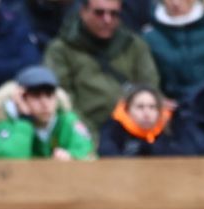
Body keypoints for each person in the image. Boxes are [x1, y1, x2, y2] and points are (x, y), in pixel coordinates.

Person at [44, 0, 159, 132]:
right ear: (83, 12)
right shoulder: (61, 50)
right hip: (86, 127)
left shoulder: (134, 45)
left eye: (114, 13)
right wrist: (88, 133)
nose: (107, 19)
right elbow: (62, 99)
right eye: (99, 13)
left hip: (133, 128)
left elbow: (150, 88)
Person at [141, 0, 204, 105]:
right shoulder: (149, 37)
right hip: (170, 107)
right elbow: (147, 79)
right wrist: (159, 99)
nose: (176, 2)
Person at [0, 64, 95, 158]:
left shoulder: (67, 120)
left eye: (49, 95)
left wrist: (71, 158)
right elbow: (10, 163)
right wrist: (24, 119)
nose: (45, 104)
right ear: (20, 98)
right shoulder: (6, 123)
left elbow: (89, 155)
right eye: (36, 96)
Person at [98, 82, 181, 154]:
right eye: (140, 107)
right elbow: (108, 155)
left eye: (152, 107)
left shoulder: (171, 128)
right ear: (128, 110)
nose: (147, 113)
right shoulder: (113, 129)